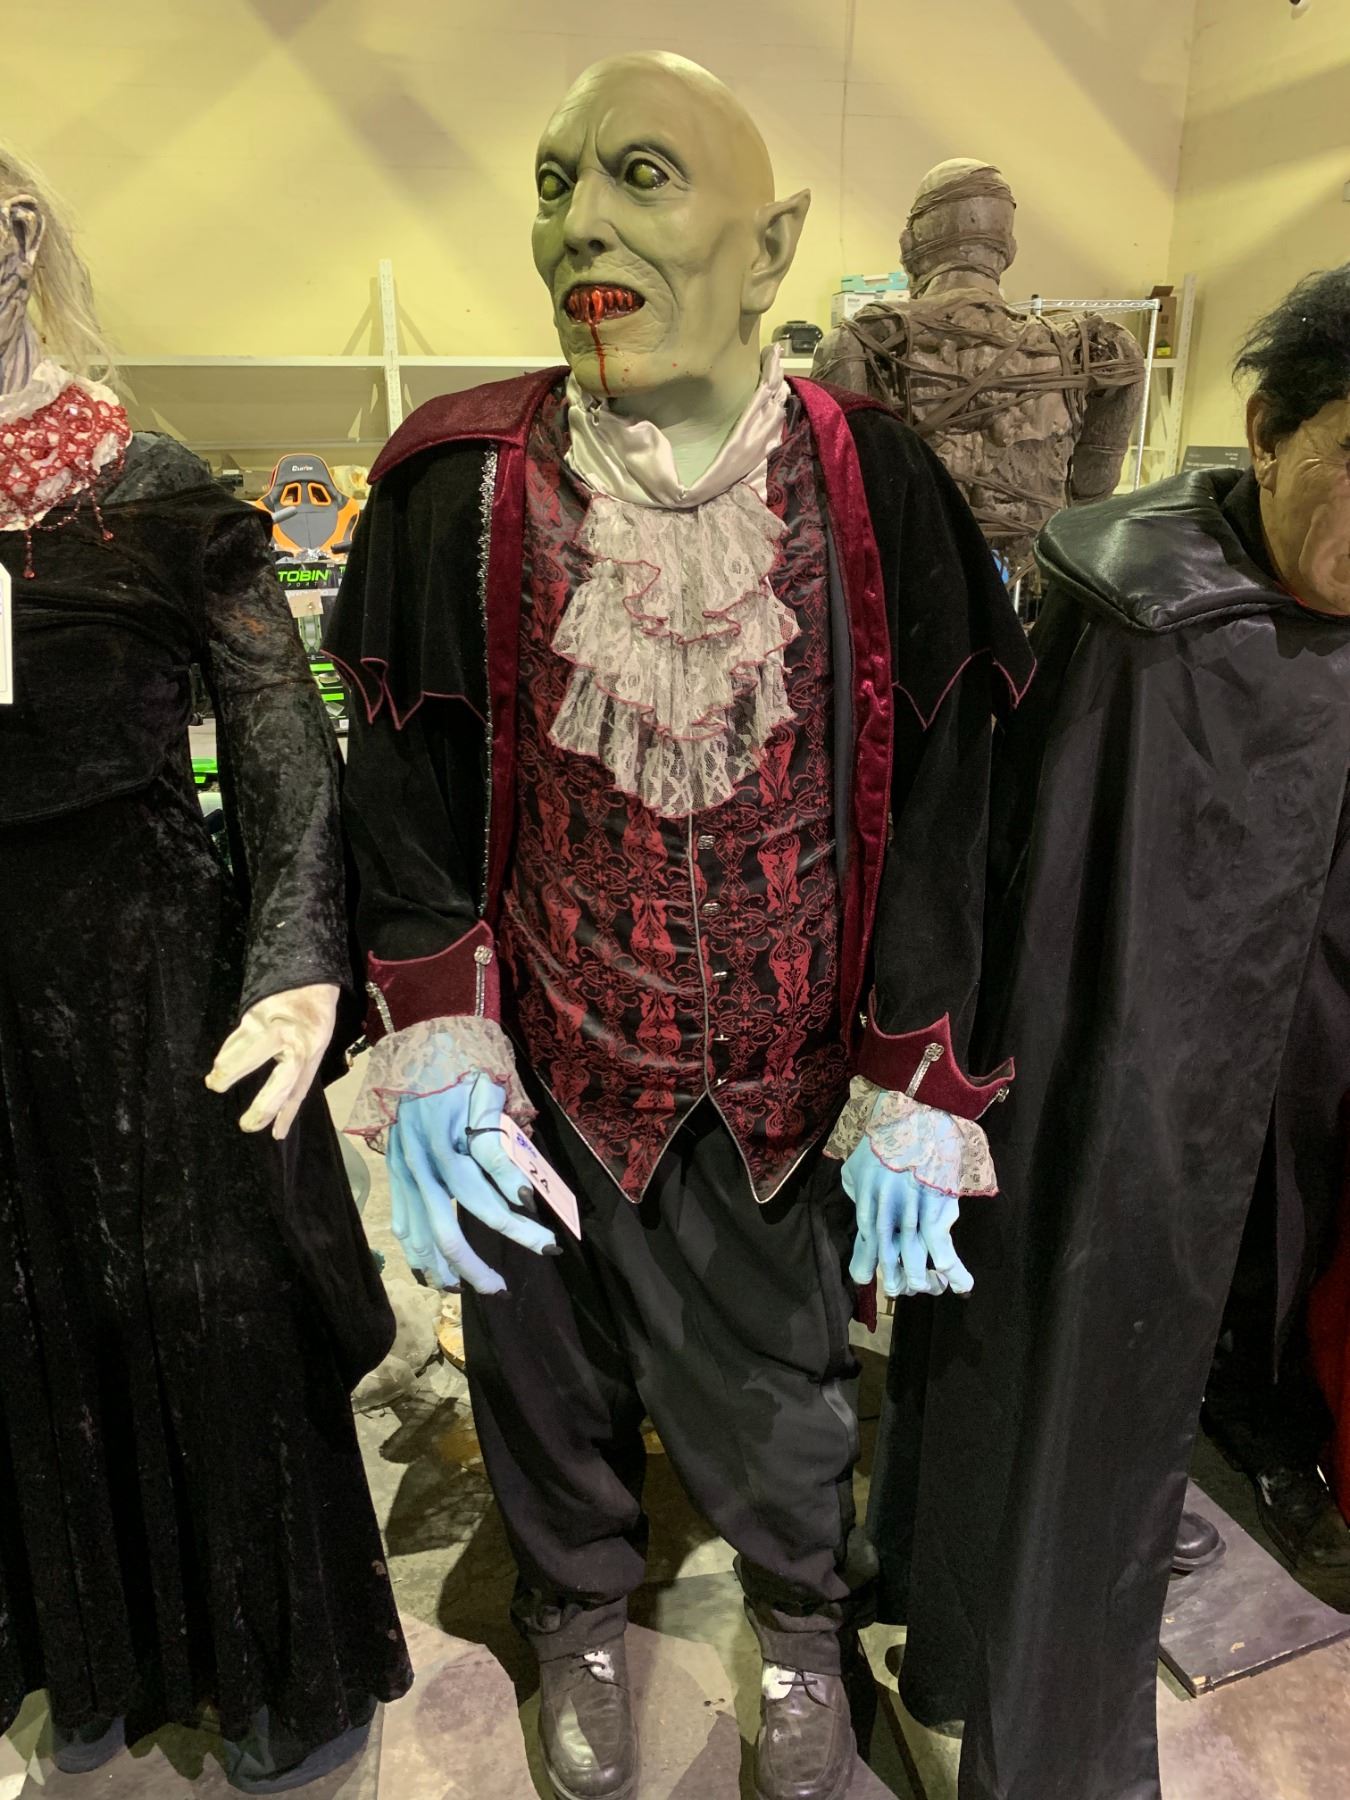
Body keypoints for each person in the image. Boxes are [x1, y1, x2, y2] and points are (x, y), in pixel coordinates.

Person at [328, 52, 1031, 1800]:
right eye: (555, 181)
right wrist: (438, 1028)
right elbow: (403, 782)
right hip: (545, 1051)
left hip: (780, 1070)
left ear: (769, 245)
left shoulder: (878, 484)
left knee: (784, 1383)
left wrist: (913, 1072)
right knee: (537, 1365)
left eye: (640, 175)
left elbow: (949, 802)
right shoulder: (455, 485)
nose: (580, 223)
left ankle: (798, 1615)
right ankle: (576, 1606)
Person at [872, 263, 1350, 1800]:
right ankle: (1037, 1741)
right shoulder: (1135, 615)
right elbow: (1009, 882)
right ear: (1265, 431)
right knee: (1060, 1398)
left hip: (1290, 1093)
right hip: (1117, 1106)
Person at [0, 152, 411, 1791]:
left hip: (158, 972)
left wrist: (297, 965)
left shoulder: (158, 491)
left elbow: (287, 754)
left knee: (211, 1307)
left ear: (20, 234)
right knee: (23, 1315)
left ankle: (264, 1664)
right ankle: (81, 1652)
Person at [812, 158, 1144, 591]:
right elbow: (1090, 494)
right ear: (1009, 249)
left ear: (908, 245)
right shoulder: (1096, 351)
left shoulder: (860, 344)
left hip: (913, 591)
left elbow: (840, 507)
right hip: (1030, 592)